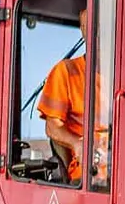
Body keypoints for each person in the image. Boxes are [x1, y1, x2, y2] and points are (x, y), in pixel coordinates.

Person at [37, 52, 88, 183]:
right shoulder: (66, 71)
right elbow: (53, 127)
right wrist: (77, 144)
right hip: (89, 175)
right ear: (84, 30)